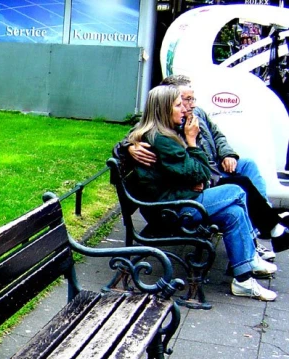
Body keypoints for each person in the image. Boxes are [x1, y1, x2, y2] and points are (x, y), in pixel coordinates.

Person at [125, 85, 277, 301]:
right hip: (174, 210)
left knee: (232, 213)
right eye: (178, 105)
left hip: (177, 200)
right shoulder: (162, 139)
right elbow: (201, 172)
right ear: (163, 110)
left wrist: (195, 179)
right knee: (238, 190)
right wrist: (192, 142)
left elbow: (185, 174)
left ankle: (243, 278)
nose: (185, 109)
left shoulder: (162, 134)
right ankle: (253, 253)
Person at [117, 74, 289, 259]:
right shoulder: (164, 124)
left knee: (248, 166)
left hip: (210, 170)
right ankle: (260, 236)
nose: (189, 105)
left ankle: (258, 233)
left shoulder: (198, 113)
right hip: (198, 181)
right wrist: (128, 147)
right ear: (168, 101)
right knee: (240, 186)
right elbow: (134, 137)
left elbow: (218, 135)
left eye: (192, 99)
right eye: (184, 100)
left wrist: (227, 154)